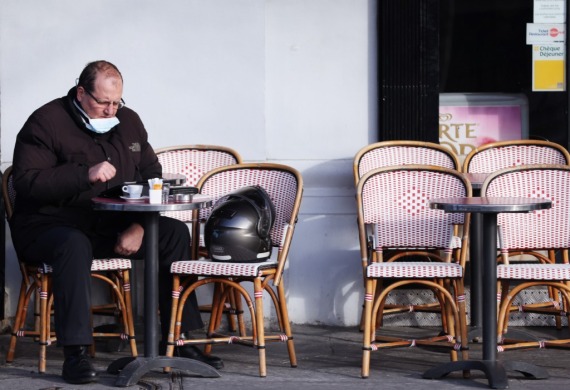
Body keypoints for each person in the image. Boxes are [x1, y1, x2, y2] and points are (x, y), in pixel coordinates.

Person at [10, 60, 223, 385]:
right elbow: (27, 183)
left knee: (173, 233)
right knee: (73, 244)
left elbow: (151, 174)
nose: (111, 110)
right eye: (103, 102)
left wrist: (139, 225)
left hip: (108, 224)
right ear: (81, 93)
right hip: (47, 226)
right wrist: (84, 174)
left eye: (116, 102)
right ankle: (76, 355)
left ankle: (177, 341)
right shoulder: (45, 122)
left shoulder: (129, 121)